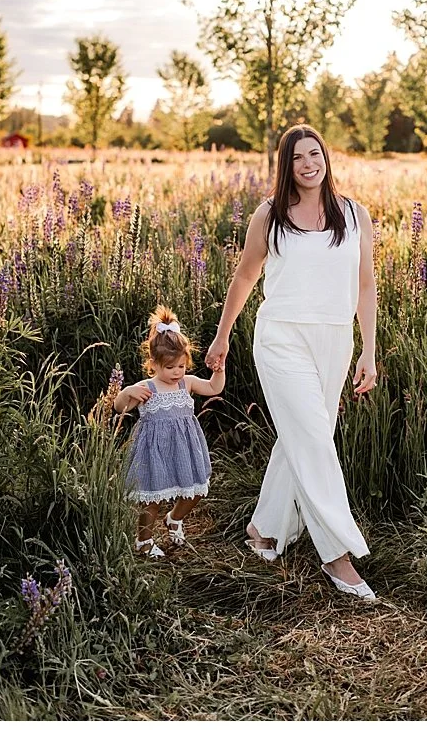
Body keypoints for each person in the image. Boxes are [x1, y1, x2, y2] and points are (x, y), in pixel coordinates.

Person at [205, 125, 379, 600]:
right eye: (298, 157)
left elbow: (366, 285)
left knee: (307, 436)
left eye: (315, 154)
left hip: (335, 340)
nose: (308, 164)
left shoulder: (355, 215)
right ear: (287, 165)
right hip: (281, 339)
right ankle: (337, 555)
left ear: (326, 157)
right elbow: (245, 276)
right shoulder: (270, 215)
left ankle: (262, 529)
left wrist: (369, 348)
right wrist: (222, 336)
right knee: (312, 441)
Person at [114, 306, 223, 558]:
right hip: (154, 452)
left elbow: (214, 388)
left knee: (194, 491)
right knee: (151, 499)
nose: (176, 372)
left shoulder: (188, 383)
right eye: (170, 367)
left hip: (184, 449)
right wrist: (127, 391)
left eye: (181, 366)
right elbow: (120, 407)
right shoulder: (146, 387)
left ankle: (174, 519)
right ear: (153, 364)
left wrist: (219, 370)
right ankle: (144, 541)